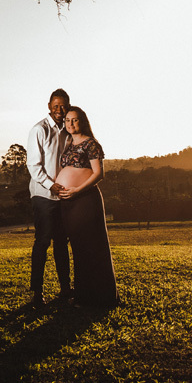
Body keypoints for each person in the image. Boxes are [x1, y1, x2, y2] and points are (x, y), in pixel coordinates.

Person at [56, 105, 119, 307]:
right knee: (79, 248)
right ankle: (84, 296)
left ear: (82, 121)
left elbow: (98, 174)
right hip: (69, 202)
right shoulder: (68, 144)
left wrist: (77, 190)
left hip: (85, 200)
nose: (70, 123)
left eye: (74, 120)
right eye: (67, 120)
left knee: (92, 247)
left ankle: (101, 297)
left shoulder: (91, 144)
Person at [26, 88, 72, 306]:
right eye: (55, 106)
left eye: (63, 106)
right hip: (43, 195)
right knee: (42, 242)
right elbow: (33, 166)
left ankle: (65, 289)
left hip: (63, 196)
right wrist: (50, 185)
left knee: (62, 243)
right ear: (49, 107)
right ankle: (37, 293)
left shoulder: (68, 131)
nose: (59, 110)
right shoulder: (39, 130)